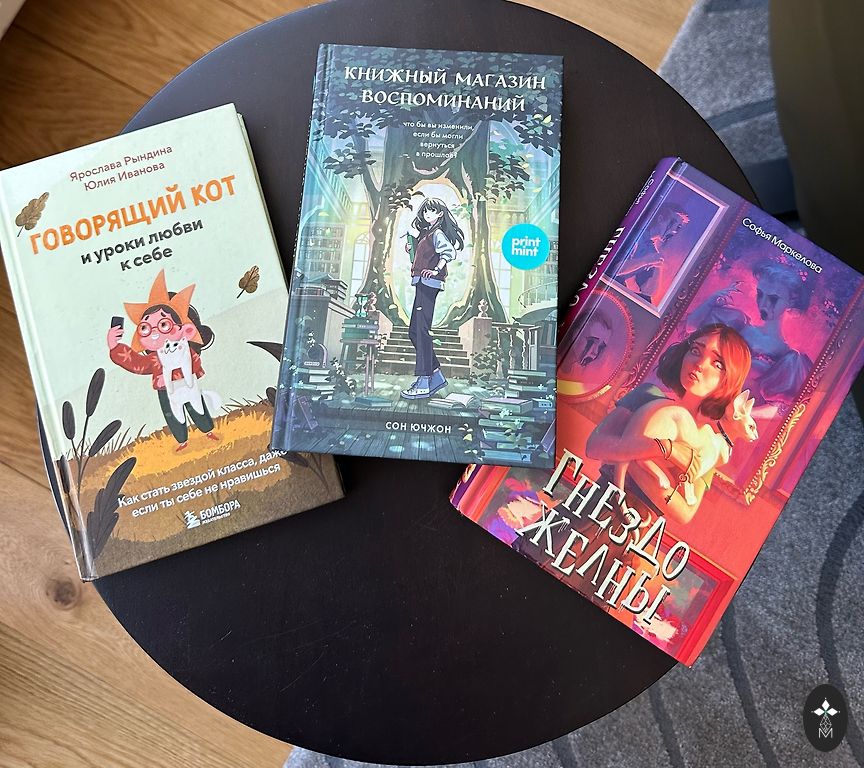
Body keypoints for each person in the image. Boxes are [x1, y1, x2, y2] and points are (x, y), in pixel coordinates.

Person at [586, 322, 751, 524]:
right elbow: (594, 446)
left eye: (717, 364)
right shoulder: (649, 395)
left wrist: (632, 454)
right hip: (589, 508)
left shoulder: (708, 443)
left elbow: (685, 513)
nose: (699, 364)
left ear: (729, 378)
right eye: (695, 351)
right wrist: (667, 449)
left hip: (634, 529)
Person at [107, 270, 220, 452]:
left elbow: (195, 362)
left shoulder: (185, 348)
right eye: (145, 328)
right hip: (165, 389)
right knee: (172, 415)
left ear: (181, 327)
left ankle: (208, 430)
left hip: (188, 383)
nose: (154, 333)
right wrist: (115, 347)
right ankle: (182, 441)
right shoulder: (155, 357)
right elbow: (137, 363)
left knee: (197, 407)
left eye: (163, 325)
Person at [687, 258, 812, 419]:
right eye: (760, 294)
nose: (764, 303)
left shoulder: (790, 359)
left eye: (773, 298)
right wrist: (711, 301)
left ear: (791, 302)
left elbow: (784, 409)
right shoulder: (737, 324)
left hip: (730, 421)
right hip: (698, 400)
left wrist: (741, 413)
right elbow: (691, 327)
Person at [401, 198, 465, 400]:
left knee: (421, 331)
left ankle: (424, 381)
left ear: (440, 214)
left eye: (432, 211)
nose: (428, 215)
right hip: (421, 282)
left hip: (430, 284)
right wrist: (412, 248)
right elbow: (423, 255)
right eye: (425, 211)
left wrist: (436, 269)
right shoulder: (426, 233)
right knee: (414, 331)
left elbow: (449, 252)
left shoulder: (437, 233)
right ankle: (435, 375)